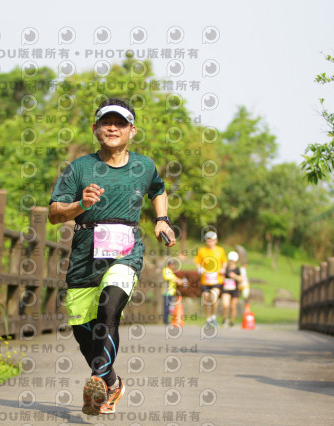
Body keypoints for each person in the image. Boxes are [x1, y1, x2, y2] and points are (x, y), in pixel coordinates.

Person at [48, 97, 176, 416]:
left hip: (125, 251)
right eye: (107, 122)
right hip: (83, 256)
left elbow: (158, 190)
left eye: (120, 123)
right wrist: (81, 205)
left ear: (132, 131)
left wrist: (162, 219)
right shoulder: (79, 168)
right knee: (84, 334)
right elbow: (53, 213)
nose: (113, 128)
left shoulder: (144, 166)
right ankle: (111, 381)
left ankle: (96, 381)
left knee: (109, 309)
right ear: (95, 129)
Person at [194, 231, 227, 328]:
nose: (210, 242)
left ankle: (214, 316)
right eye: (208, 240)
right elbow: (197, 261)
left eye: (211, 240)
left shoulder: (220, 250)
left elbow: (224, 262)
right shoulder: (202, 250)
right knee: (205, 297)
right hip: (205, 279)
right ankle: (208, 319)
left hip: (216, 279)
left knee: (213, 296)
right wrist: (199, 268)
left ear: (215, 241)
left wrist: (223, 269)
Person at [221, 251, 243, 327]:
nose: (231, 262)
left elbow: (241, 279)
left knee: (233, 306)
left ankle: (232, 321)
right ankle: (225, 319)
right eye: (230, 261)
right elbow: (221, 276)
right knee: (225, 305)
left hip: (234, 290)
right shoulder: (225, 268)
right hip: (226, 289)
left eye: (233, 261)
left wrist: (234, 276)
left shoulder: (237, 269)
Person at [162, 258, 185, 325]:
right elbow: (170, 278)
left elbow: (175, 279)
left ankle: (168, 320)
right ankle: (165, 321)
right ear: (169, 265)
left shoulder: (171, 271)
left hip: (171, 292)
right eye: (172, 264)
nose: (173, 266)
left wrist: (180, 281)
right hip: (167, 292)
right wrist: (179, 280)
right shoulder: (166, 270)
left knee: (170, 307)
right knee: (167, 307)